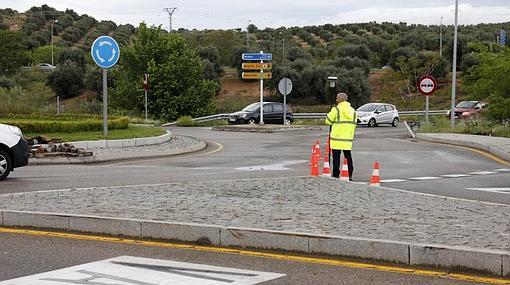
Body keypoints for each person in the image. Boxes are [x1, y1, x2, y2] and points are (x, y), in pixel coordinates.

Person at [324, 92, 357, 180]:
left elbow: (328, 121)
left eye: (337, 98)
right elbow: (355, 123)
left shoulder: (336, 109)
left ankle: (336, 174)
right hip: (348, 138)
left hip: (337, 138)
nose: (336, 99)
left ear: (341, 99)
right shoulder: (353, 111)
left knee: (336, 157)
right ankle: (349, 173)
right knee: (348, 156)